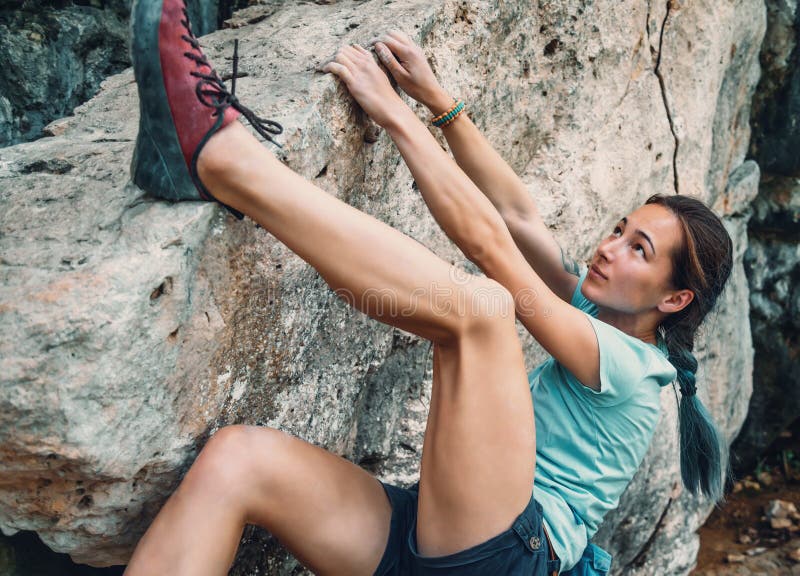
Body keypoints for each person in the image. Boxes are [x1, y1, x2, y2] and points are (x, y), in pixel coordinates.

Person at [123, 1, 734, 574]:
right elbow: (518, 215)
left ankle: (224, 163)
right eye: (619, 229)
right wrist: (435, 98)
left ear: (674, 299)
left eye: (638, 251)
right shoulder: (590, 312)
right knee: (237, 461)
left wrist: (392, 113)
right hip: (445, 534)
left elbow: (492, 249)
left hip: (512, 555)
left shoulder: (630, 367)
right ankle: (190, 158)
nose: (609, 247)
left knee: (484, 309)